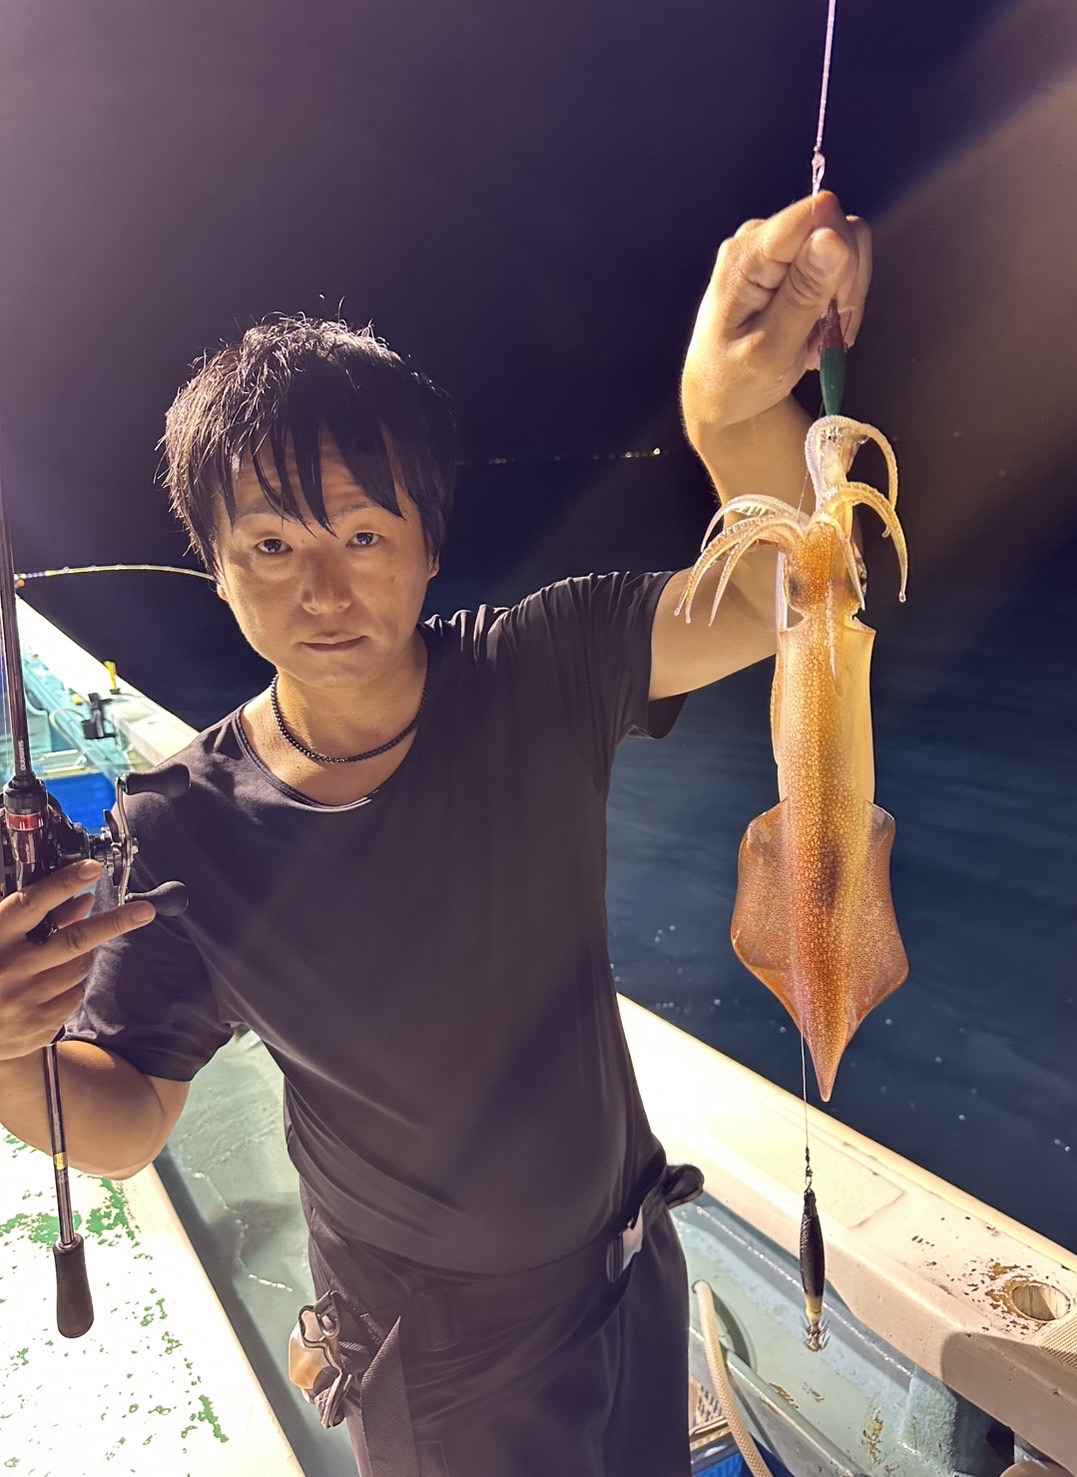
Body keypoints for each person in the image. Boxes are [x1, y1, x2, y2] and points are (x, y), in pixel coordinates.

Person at [0, 193, 869, 1477]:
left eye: (363, 533)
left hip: (633, 1271)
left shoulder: (545, 665)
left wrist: (730, 418)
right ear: (217, 568)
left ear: (427, 547)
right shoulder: (183, 826)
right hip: (437, 1365)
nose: (323, 588)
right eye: (270, 545)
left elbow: (782, 600)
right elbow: (124, 1122)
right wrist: (8, 1055)